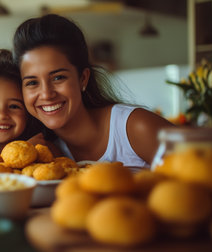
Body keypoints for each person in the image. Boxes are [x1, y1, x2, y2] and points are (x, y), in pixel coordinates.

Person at [12, 14, 174, 167]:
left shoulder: (135, 127)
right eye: (32, 82)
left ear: (83, 78)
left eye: (58, 78)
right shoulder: (44, 152)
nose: (46, 94)